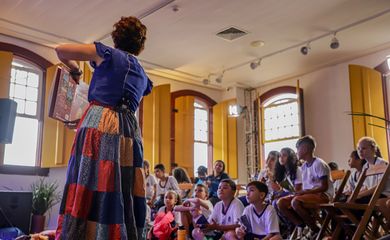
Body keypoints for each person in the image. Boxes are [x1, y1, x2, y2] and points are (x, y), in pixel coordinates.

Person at [55, 16, 152, 240]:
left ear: (116, 38)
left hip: (100, 121)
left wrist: (75, 70)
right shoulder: (143, 75)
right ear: (140, 45)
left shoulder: (106, 53)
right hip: (129, 130)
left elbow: (61, 50)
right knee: (121, 185)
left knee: (90, 178)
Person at [281, 135, 334, 239]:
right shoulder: (304, 166)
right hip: (310, 195)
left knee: (295, 202)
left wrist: (304, 192)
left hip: (323, 195)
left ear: (305, 149)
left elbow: (324, 187)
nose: (296, 152)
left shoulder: (319, 163)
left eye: (298, 149)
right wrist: (299, 192)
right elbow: (306, 187)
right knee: (281, 203)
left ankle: (316, 230)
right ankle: (301, 224)